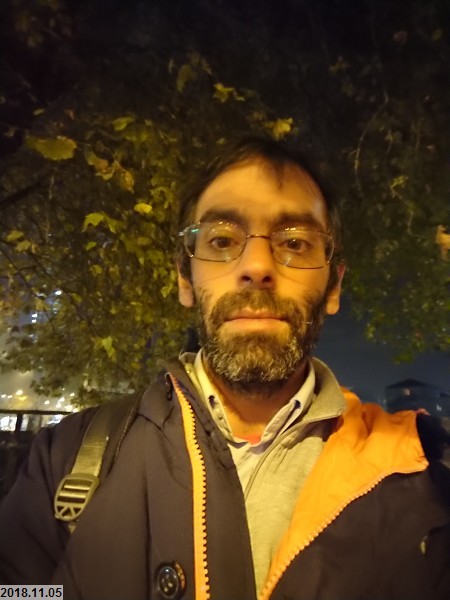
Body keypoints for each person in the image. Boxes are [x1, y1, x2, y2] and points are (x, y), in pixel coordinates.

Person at [0, 136, 449, 600]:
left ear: (333, 286)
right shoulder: (67, 459)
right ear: (184, 279)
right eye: (221, 241)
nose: (256, 265)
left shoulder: (424, 479)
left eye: (295, 242)